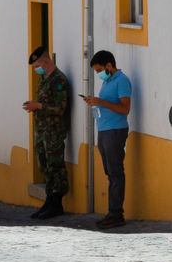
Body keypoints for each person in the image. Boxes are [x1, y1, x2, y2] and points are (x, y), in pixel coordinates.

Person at [81, 50, 131, 229]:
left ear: (109, 65)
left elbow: (125, 108)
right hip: (103, 130)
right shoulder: (106, 81)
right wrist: (94, 101)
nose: (98, 74)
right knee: (110, 173)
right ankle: (112, 212)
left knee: (116, 173)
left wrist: (101, 102)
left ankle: (116, 213)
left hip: (115, 131)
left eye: (99, 69)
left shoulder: (122, 80)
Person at [23, 46, 70, 219]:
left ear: (46, 61)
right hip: (42, 131)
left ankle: (56, 202)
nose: (36, 69)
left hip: (54, 131)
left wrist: (39, 106)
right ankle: (49, 200)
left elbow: (60, 108)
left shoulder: (59, 81)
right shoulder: (45, 79)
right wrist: (35, 105)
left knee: (55, 165)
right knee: (44, 165)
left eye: (37, 65)